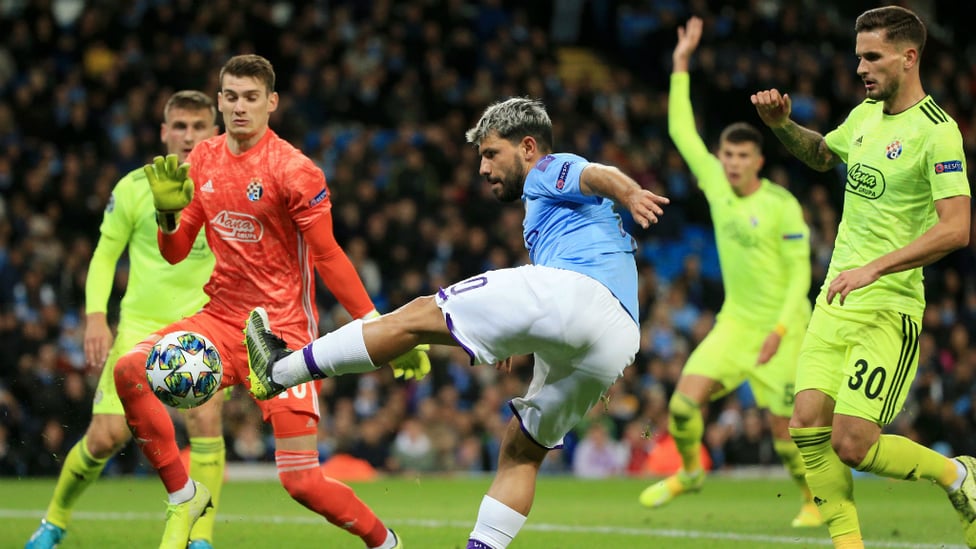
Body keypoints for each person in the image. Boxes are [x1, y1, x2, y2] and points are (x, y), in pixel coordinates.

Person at [244, 96, 670, 549]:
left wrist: (630, 192)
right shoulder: (552, 212)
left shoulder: (549, 168)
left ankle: (280, 370)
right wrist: (519, 336)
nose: (483, 169)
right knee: (523, 451)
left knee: (416, 317)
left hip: (580, 293)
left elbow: (594, 174)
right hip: (618, 335)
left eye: (491, 154)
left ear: (527, 147)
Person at [112, 54, 424, 549]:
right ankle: (184, 494)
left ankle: (386, 543)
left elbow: (328, 255)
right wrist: (167, 216)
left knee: (301, 481)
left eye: (251, 97)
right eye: (231, 97)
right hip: (218, 320)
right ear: (220, 101)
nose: (240, 107)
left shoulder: (295, 170)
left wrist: (379, 327)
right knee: (128, 371)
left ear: (271, 103)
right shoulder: (202, 160)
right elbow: (173, 253)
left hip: (281, 336)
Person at [751, 6, 974, 548]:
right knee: (806, 425)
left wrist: (874, 267)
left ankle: (960, 476)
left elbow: (958, 229)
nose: (861, 68)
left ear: (909, 56)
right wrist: (782, 127)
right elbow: (825, 154)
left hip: (889, 306)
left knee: (853, 443)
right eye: (858, 58)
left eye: (872, 57)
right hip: (836, 300)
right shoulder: (863, 117)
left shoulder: (938, 134)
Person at [638, 16, 821, 529]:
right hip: (736, 324)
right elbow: (679, 129)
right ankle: (693, 472)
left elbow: (799, 276)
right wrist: (679, 64)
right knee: (680, 408)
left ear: (759, 160)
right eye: (727, 155)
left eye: (743, 156)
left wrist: (782, 330)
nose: (733, 163)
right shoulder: (717, 187)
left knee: (786, 433)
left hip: (783, 327)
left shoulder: (782, 206)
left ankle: (811, 498)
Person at [26, 90, 225, 549]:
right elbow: (103, 256)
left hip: (202, 327)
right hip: (138, 325)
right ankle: (54, 522)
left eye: (198, 126)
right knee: (105, 436)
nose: (189, 136)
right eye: (180, 126)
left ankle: (201, 538)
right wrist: (96, 317)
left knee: (204, 419)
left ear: (214, 132)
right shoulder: (134, 187)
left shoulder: (224, 188)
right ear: (163, 132)